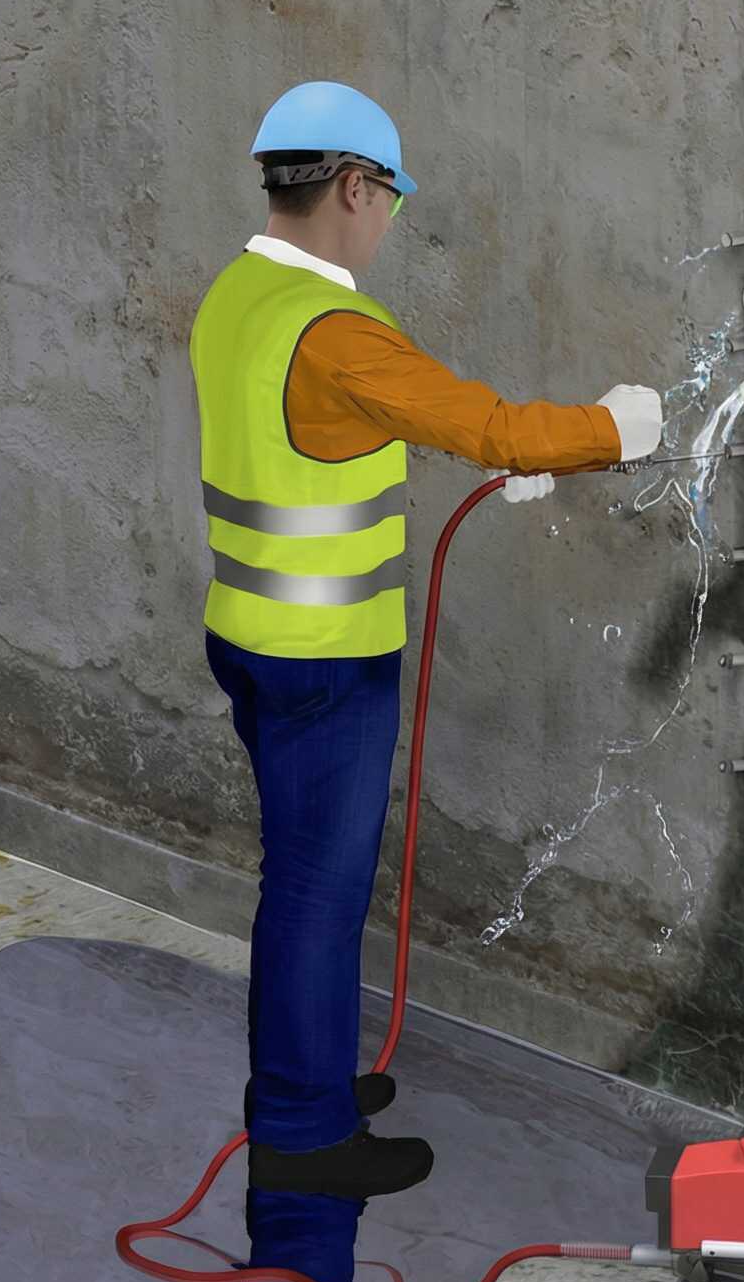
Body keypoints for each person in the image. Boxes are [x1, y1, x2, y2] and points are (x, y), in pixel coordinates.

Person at [189, 80, 663, 1202]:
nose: (390, 218)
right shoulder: (339, 332)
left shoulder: (238, 296)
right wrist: (614, 430)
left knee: (296, 879)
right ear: (353, 186)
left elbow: (319, 445)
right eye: (389, 196)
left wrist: (523, 465)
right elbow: (483, 422)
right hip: (325, 658)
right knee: (314, 891)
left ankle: (304, 1079)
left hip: (248, 635)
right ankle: (302, 1129)